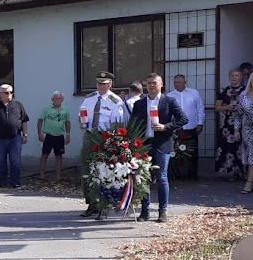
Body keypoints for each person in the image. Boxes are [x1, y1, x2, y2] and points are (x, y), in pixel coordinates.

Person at [130, 73, 186, 223]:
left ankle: (162, 211)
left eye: (154, 83)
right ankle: (145, 211)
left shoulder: (169, 101)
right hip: (144, 145)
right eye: (148, 83)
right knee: (143, 178)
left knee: (162, 177)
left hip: (162, 144)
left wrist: (166, 127)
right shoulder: (139, 104)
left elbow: (183, 119)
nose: (151, 86)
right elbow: (132, 125)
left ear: (161, 84)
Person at [78, 71, 127, 218]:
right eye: (99, 83)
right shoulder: (89, 98)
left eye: (104, 84)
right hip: (90, 134)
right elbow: (82, 114)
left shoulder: (115, 101)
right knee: (86, 170)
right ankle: (92, 203)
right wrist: (82, 122)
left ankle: (104, 206)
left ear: (110, 84)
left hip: (106, 137)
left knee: (105, 172)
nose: (101, 86)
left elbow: (117, 123)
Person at [0, 84, 29, 188]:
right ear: (0, 94)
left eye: (11, 92)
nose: (10, 94)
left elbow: (24, 121)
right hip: (0, 139)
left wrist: (25, 134)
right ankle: (0, 183)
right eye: (7, 92)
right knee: (0, 162)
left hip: (15, 138)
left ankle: (15, 183)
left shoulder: (18, 105)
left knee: (15, 162)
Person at [167, 74, 205, 179]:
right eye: (175, 82)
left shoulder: (194, 93)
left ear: (185, 82)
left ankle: (192, 175)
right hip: (177, 128)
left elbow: (200, 108)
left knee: (193, 152)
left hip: (192, 126)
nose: (177, 84)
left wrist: (200, 123)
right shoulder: (170, 95)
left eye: (179, 82)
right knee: (176, 152)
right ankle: (177, 174)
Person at [214, 69, 245, 179]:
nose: (234, 77)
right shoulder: (224, 91)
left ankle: (243, 172)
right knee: (228, 146)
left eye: (237, 75)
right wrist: (227, 107)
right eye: (232, 75)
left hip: (241, 122)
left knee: (241, 146)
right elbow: (217, 107)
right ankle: (231, 171)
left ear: (241, 77)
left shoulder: (245, 90)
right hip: (226, 124)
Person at [37, 91, 71, 182]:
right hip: (49, 135)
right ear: (52, 99)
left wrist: (68, 134)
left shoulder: (65, 109)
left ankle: (58, 176)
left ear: (62, 99)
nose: (57, 100)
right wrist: (40, 133)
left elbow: (67, 122)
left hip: (60, 136)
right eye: (55, 98)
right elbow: (40, 120)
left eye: (59, 98)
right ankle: (41, 175)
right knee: (44, 155)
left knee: (59, 156)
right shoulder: (46, 109)